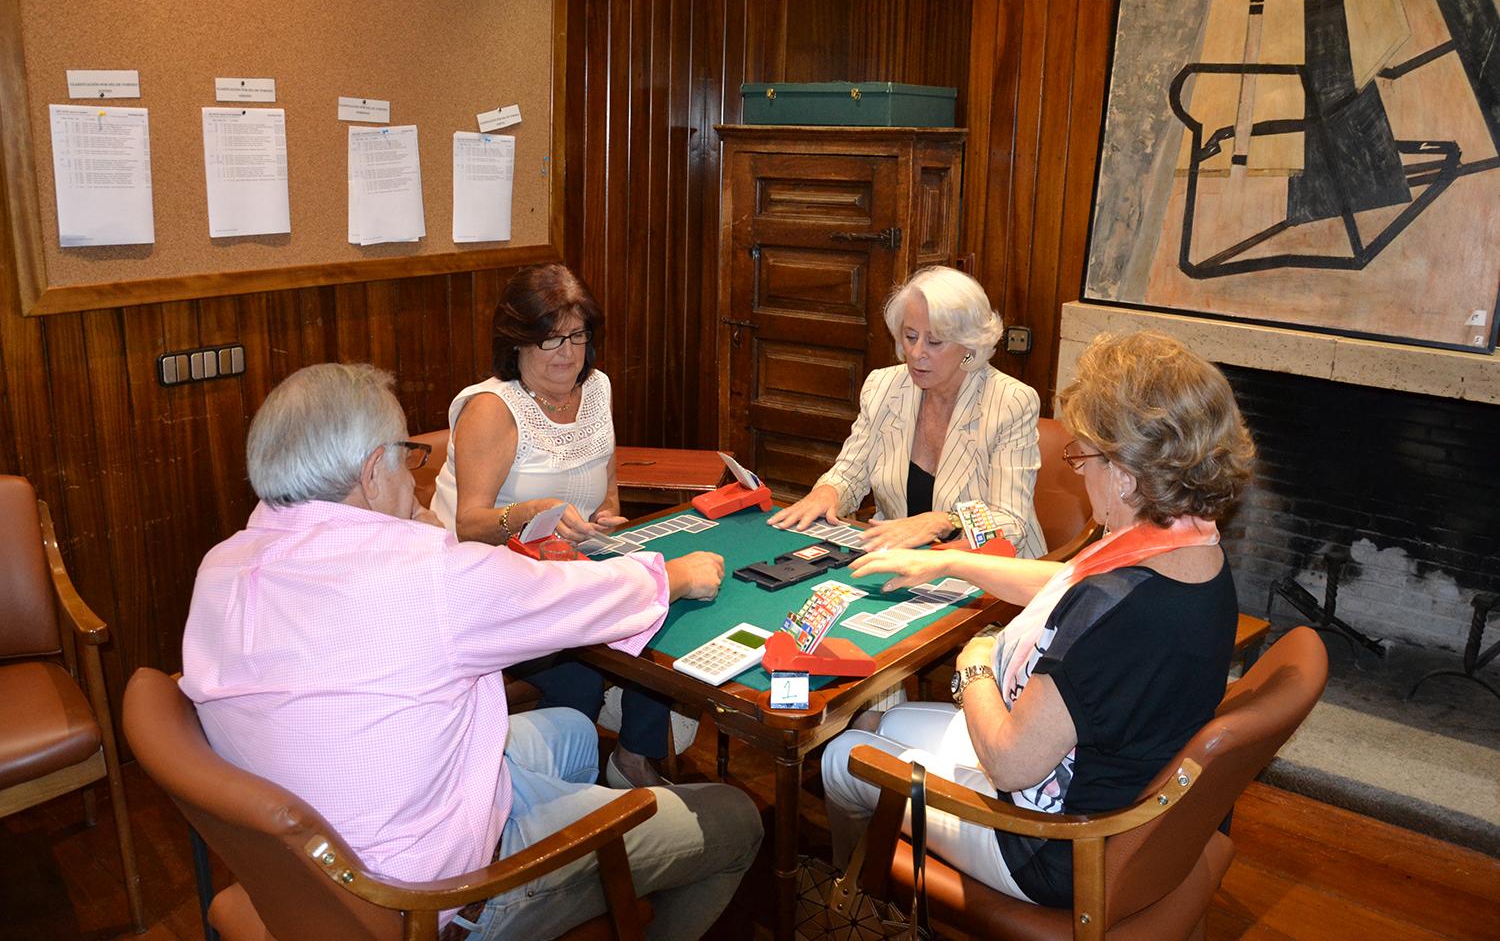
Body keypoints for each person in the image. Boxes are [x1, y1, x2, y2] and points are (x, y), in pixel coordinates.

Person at [181, 363, 762, 941]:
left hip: (313, 864)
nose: (418, 478)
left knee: (574, 733)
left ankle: (601, 879)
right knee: (735, 820)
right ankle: (591, 888)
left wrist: (412, 526)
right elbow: (567, 598)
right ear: (369, 473)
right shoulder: (429, 578)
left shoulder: (220, 566)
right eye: (407, 458)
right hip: (433, 894)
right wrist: (674, 576)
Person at [819, 330, 1255, 908]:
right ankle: (871, 874)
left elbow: (1010, 761)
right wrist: (950, 560)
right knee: (874, 729)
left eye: (1085, 455)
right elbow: (1065, 584)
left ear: (1125, 474)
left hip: (1054, 847)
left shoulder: (1113, 614)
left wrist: (974, 662)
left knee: (841, 756)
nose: (1079, 472)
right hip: (1119, 794)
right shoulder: (1191, 551)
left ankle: (861, 899)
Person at [432, 263, 682, 789]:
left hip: (565, 568)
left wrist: (606, 517)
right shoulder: (492, 408)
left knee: (663, 607)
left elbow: (606, 482)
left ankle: (634, 755)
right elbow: (468, 524)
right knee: (580, 663)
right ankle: (568, 791)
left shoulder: (597, 389)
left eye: (577, 336)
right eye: (550, 340)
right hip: (487, 578)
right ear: (517, 342)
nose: (567, 354)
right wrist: (531, 513)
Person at [769, 265, 1044, 559]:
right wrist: (829, 492)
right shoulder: (883, 385)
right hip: (899, 561)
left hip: (987, 573)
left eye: (934, 341)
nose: (916, 353)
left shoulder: (1011, 402)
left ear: (970, 344)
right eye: (910, 337)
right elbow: (850, 473)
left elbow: (1012, 523)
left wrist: (943, 521)